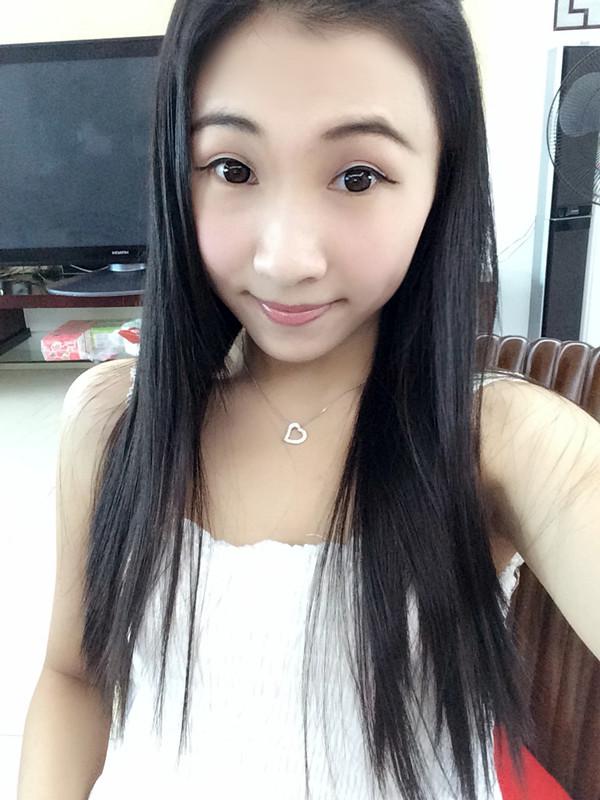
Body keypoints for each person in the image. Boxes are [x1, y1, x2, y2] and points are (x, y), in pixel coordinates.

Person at [17, 1, 600, 799]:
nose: (286, 258)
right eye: (233, 169)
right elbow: (72, 676)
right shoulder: (115, 420)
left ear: (442, 180)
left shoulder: (499, 441)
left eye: (358, 176)